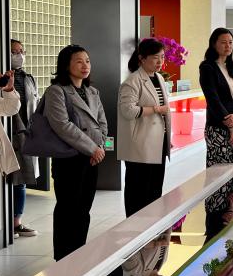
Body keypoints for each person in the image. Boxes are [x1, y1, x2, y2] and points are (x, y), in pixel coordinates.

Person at [45, 45, 108, 261]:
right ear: (66, 65)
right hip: (68, 158)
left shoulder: (93, 92)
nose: (85, 66)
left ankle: (79, 253)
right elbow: (62, 126)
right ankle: (63, 258)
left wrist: (101, 147)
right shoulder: (57, 91)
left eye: (87, 61)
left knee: (83, 208)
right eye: (79, 61)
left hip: (92, 158)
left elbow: (102, 122)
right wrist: (93, 148)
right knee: (67, 209)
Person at [199, 28, 233, 240]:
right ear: (214, 44)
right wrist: (229, 123)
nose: (228, 46)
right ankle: (218, 209)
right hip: (218, 127)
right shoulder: (207, 67)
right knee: (221, 166)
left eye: (230, 42)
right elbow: (212, 98)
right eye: (223, 42)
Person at [117, 38, 173, 217]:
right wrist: (154, 109)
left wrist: (167, 137)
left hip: (158, 142)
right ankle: (135, 226)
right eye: (155, 57)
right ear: (141, 58)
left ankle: (151, 225)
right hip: (140, 144)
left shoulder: (159, 78)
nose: (160, 62)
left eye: (162, 57)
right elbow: (127, 110)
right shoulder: (132, 81)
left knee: (154, 189)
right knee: (138, 191)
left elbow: (165, 111)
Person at [7, 39, 38, 237]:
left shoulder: (28, 78)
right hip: (7, 133)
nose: (19, 55)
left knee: (21, 180)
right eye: (14, 51)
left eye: (21, 51)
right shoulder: (1, 77)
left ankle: (16, 222)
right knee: (7, 180)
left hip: (25, 134)